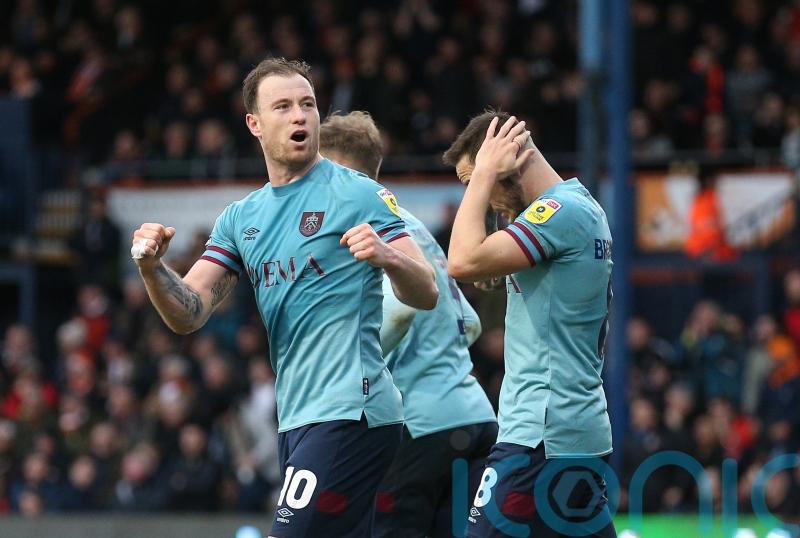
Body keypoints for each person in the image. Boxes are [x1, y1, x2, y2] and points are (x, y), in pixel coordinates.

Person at [130, 58, 438, 538]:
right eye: (284, 106)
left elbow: (427, 291)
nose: (300, 116)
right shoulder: (240, 218)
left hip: (354, 411)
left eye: (308, 104)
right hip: (296, 416)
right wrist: (151, 268)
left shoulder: (359, 194)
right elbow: (189, 312)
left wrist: (389, 258)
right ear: (254, 123)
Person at [319, 111, 498, 538]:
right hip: (472, 418)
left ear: (337, 170)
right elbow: (468, 322)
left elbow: (399, 310)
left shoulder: (361, 232)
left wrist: (338, 369)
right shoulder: (411, 226)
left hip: (417, 427)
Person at [443, 111, 616, 538]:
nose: (480, 199)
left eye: (476, 182)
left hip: (540, 435)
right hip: (578, 432)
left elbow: (460, 261)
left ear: (508, 159)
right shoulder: (581, 206)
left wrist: (483, 174)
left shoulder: (557, 212)